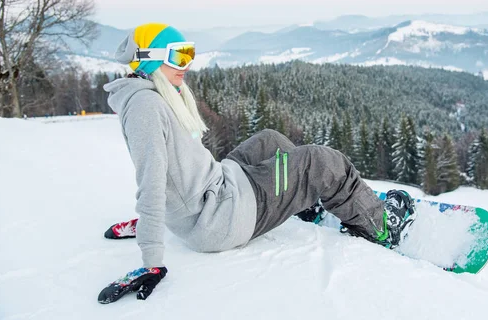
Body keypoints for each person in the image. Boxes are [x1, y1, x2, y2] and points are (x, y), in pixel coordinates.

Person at [98, 23, 416, 304]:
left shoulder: (149, 95)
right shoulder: (145, 107)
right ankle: (382, 226)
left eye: (189, 54)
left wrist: (153, 220)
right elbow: (151, 181)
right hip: (223, 218)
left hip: (217, 193)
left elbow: (172, 177)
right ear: (150, 59)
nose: (187, 64)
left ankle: (306, 202)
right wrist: (150, 257)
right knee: (322, 162)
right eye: (179, 56)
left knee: (269, 140)